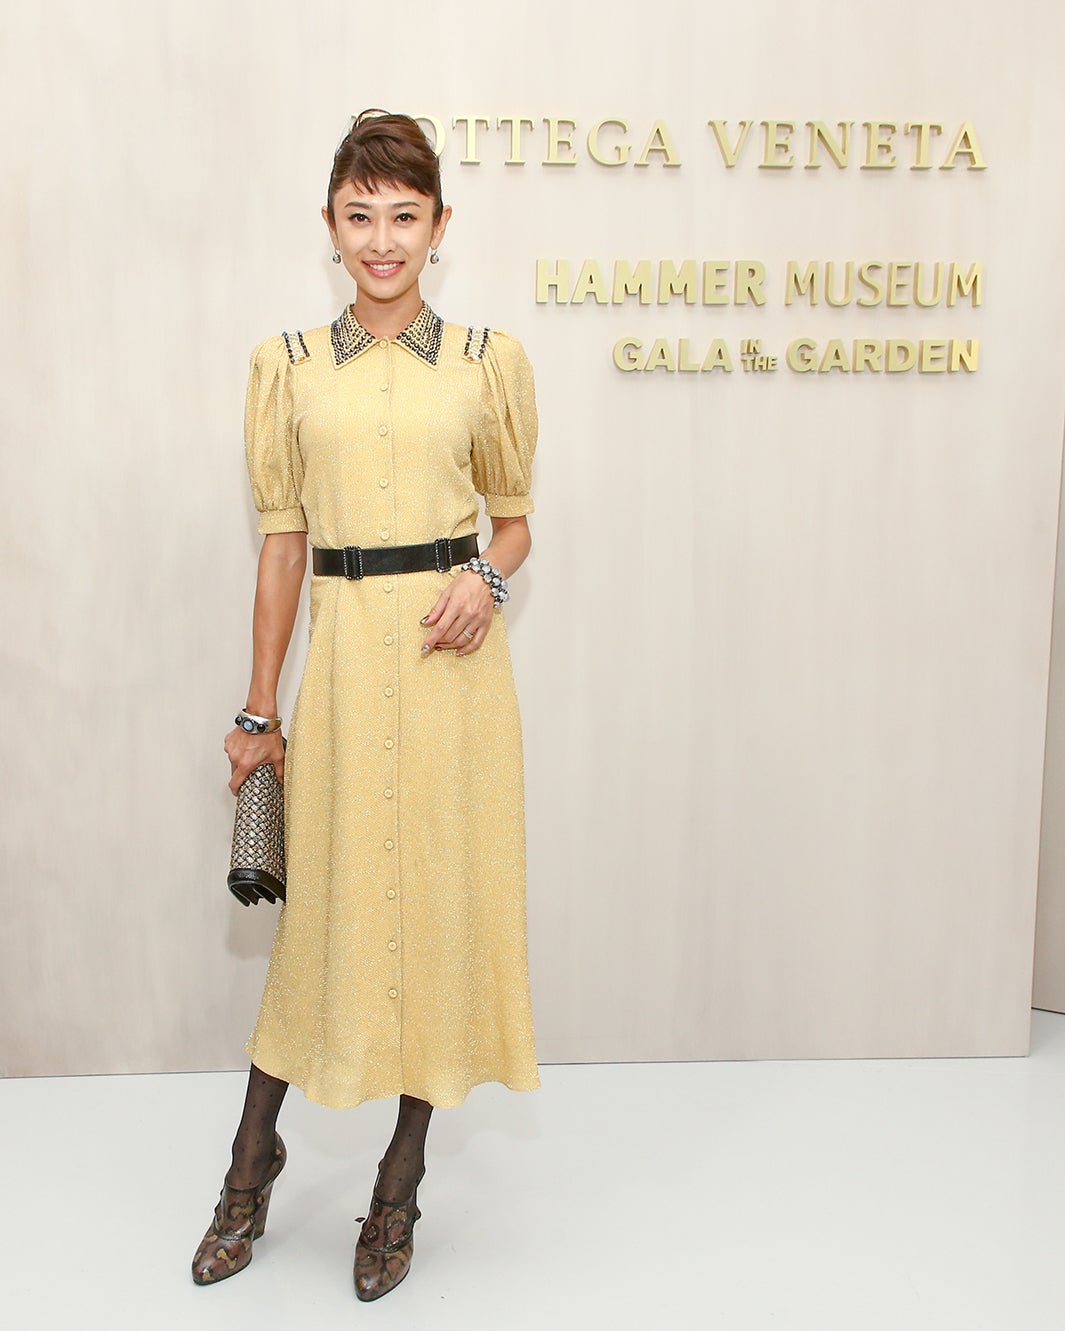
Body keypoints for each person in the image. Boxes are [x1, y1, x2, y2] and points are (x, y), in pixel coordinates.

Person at [191, 109, 540, 1302]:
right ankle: (253, 1159)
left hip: (453, 675)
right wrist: (259, 713)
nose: (382, 239)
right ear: (330, 225)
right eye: (360, 215)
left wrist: (487, 579)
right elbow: (282, 548)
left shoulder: (489, 361)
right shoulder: (286, 366)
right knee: (322, 919)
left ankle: (400, 1178)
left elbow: (515, 520)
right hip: (341, 670)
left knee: (438, 911)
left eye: (404, 216)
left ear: (440, 227)